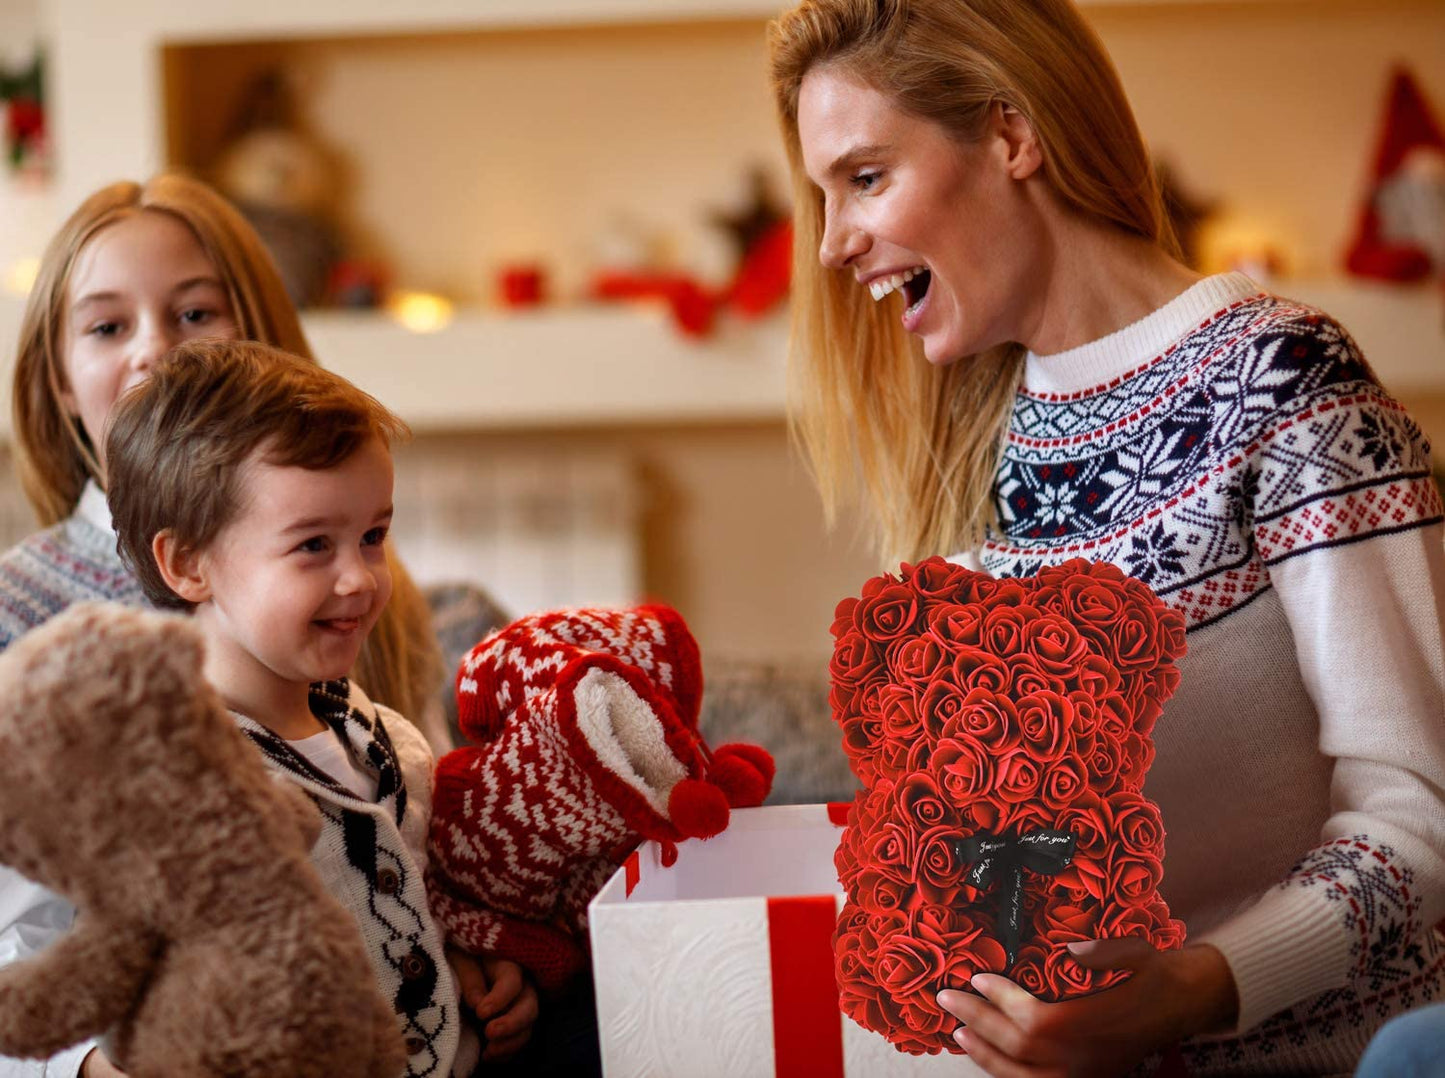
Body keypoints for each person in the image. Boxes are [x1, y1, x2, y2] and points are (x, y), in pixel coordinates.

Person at [769, 0, 1445, 1073]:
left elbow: (1422, 817)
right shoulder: (983, 438)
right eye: (822, 194)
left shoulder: (1282, 382)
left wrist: (1190, 989)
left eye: (863, 178)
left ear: (1008, 137)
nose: (830, 243)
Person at [0, 176, 528, 1076]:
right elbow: (35, 941)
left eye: (195, 312)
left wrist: (457, 956)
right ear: (57, 377)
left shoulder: (358, 623)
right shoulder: (26, 621)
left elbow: (408, 848)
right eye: (107, 325)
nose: (156, 352)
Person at [101, 339, 518, 1077]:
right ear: (189, 564)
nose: (359, 578)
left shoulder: (390, 743)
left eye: (372, 536)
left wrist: (466, 968)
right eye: (313, 545)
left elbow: (407, 912)